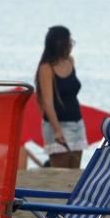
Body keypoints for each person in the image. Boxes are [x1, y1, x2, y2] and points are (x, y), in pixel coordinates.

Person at [35, 25, 83, 169]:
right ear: (60, 44)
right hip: (58, 124)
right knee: (61, 171)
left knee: (75, 170)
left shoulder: (70, 61)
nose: (71, 45)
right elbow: (48, 102)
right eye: (69, 41)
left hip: (76, 123)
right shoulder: (46, 68)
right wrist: (57, 130)